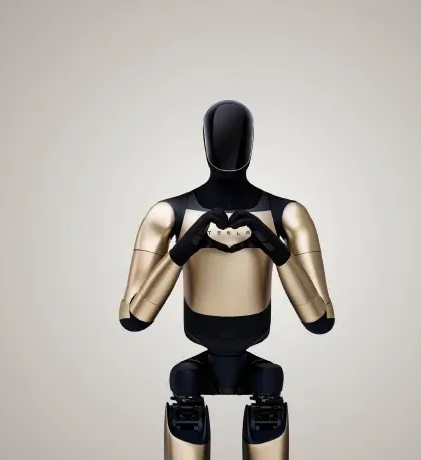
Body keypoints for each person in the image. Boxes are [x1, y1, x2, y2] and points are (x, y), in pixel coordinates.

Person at [119, 100, 335, 460]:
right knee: (190, 383)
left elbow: (321, 319)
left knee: (261, 385)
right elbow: (133, 317)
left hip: (240, 344)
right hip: (212, 346)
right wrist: (185, 246)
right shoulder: (168, 213)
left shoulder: (287, 214)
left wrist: (273, 246)